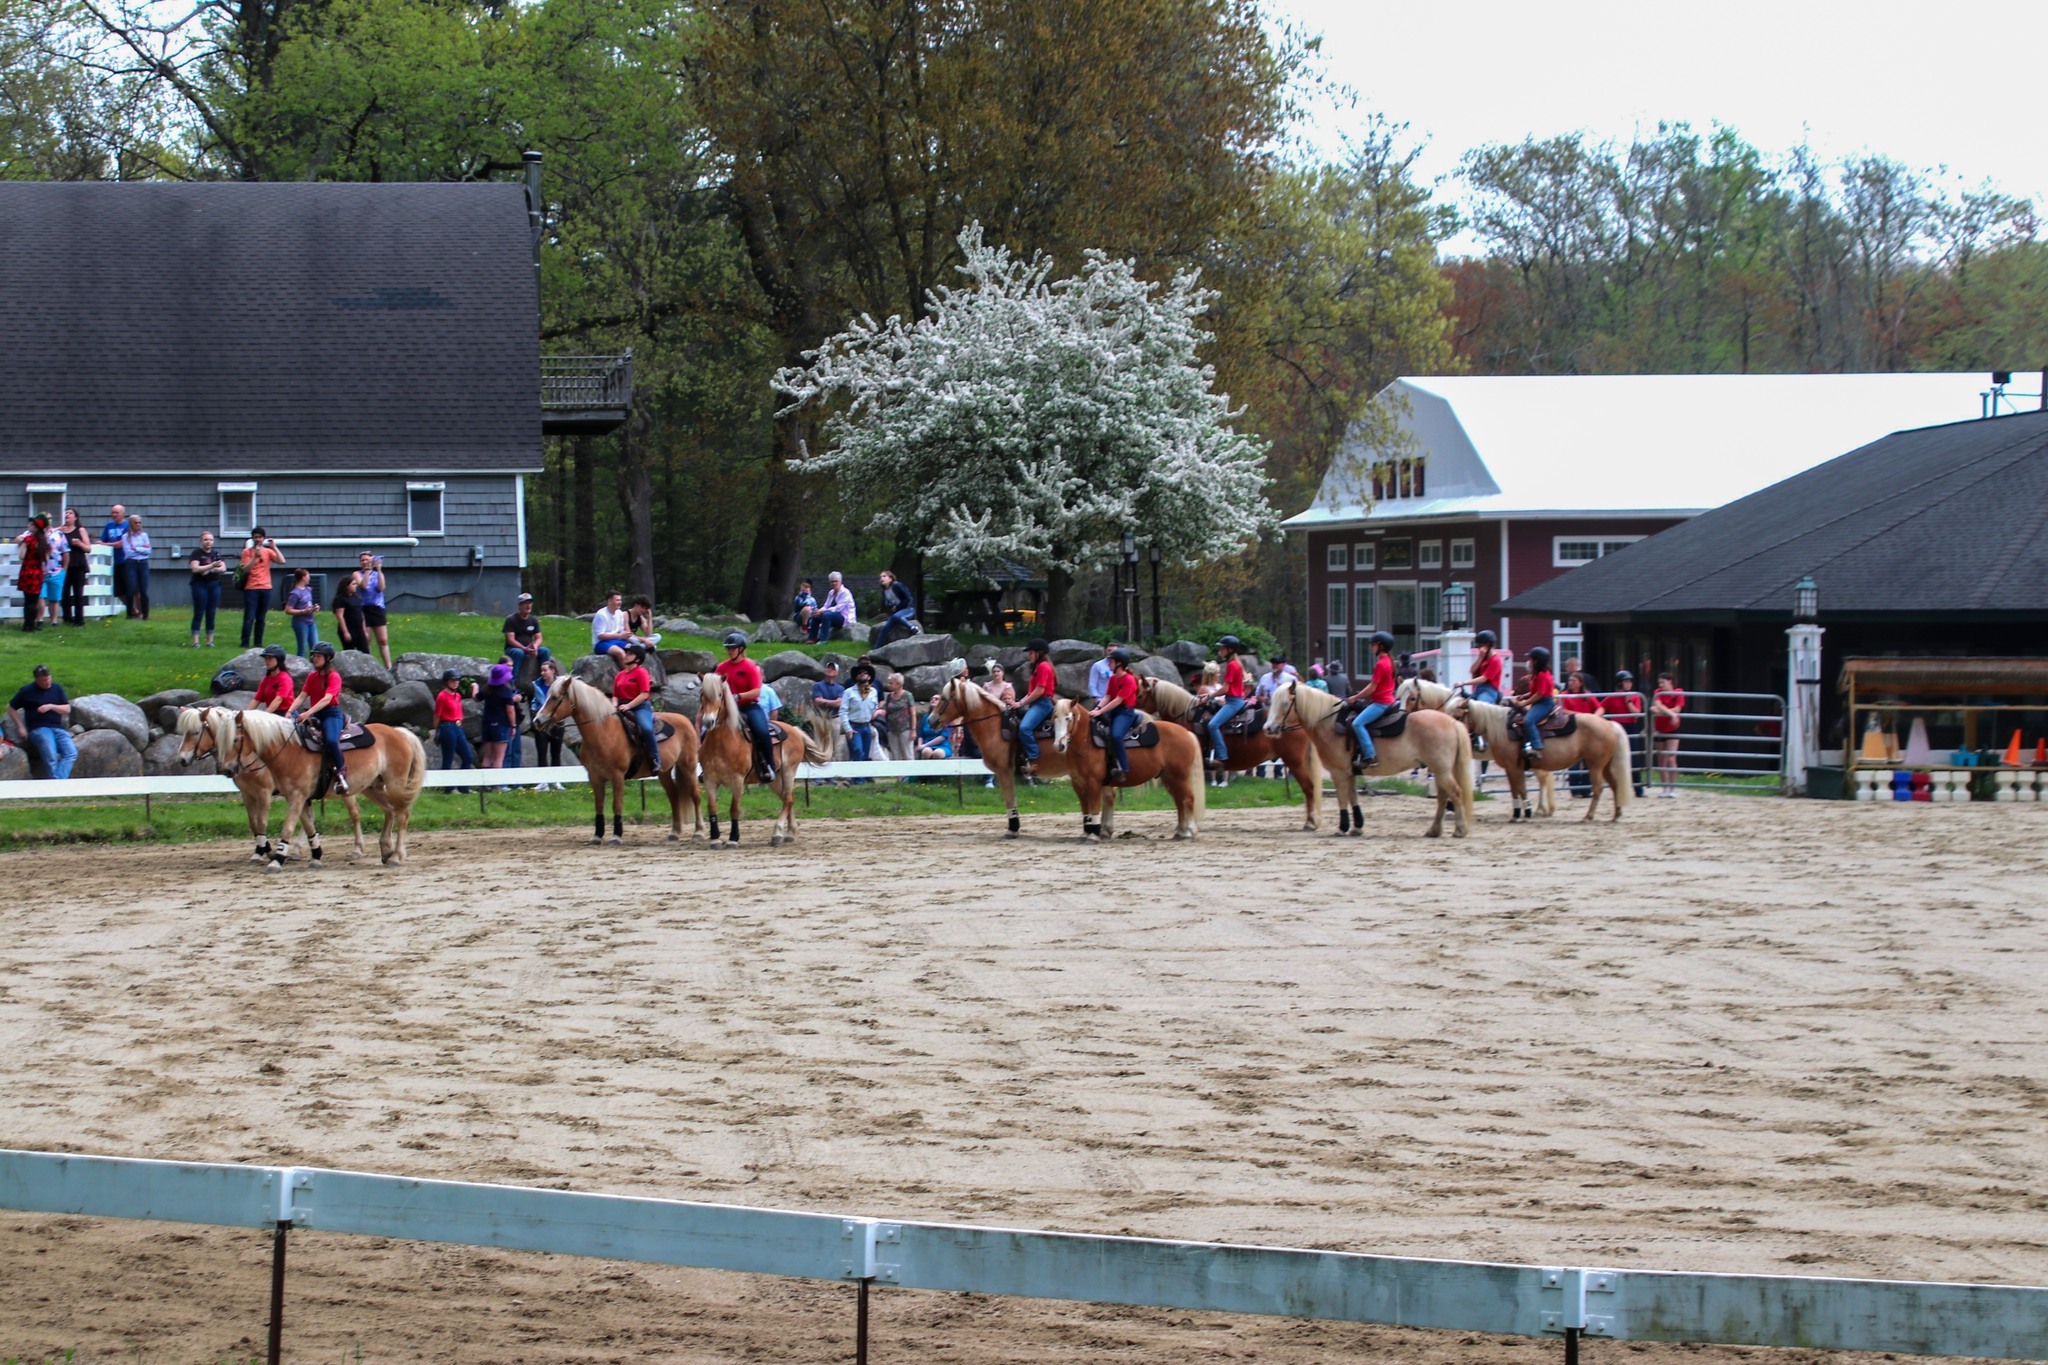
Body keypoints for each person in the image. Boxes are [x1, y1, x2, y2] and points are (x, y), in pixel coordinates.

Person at [715, 631, 777, 779]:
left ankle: (768, 765)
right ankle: (707, 764)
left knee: (761, 731)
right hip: (727, 709)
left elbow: (756, 692)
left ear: (741, 649)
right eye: (728, 648)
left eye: (732, 648)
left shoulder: (750, 667)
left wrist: (738, 696)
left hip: (749, 707)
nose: (729, 651)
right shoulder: (721, 668)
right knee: (708, 729)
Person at [292, 642, 349, 794]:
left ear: (328, 658)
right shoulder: (312, 676)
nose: (315, 659)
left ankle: (342, 773)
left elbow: (327, 699)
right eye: (314, 656)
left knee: (331, 740)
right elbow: (302, 696)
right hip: (315, 713)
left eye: (318, 656)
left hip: (330, 713)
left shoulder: (334, 676)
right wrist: (289, 711)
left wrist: (308, 713)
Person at [1343, 631, 1398, 772]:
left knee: (1357, 723)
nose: (1371, 647)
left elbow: (1372, 687)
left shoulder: (1381, 664)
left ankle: (1370, 755)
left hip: (1381, 702)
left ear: (1381, 646)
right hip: (1389, 699)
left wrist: (1355, 698)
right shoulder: (1390, 661)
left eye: (1373, 645)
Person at [9, 665, 75, 778]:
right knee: (50, 754)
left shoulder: (57, 688)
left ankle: (58, 782)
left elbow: (67, 709)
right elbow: (11, 708)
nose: (47, 681)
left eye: (48, 678)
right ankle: (58, 785)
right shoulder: (27, 691)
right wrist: (21, 727)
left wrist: (51, 706)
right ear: (37, 680)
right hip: (38, 728)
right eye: (44, 680)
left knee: (71, 753)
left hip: (57, 727)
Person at [1089, 646, 1142, 780]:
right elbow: (1107, 697)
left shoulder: (1129, 680)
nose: (1109, 663)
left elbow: (1118, 700)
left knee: (1116, 735)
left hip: (1125, 712)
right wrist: (1096, 709)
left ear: (1119, 663)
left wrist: (1101, 711)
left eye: (1111, 661)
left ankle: (1123, 768)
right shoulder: (1113, 678)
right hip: (1113, 710)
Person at [1013, 639, 1058, 777]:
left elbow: (1039, 691)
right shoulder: (1039, 667)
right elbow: (1032, 692)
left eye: (1031, 653)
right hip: (1036, 703)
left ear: (1039, 653)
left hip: (1043, 704)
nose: (1029, 656)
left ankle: (1035, 761)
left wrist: (1020, 703)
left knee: (1024, 728)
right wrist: (1019, 702)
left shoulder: (1043, 667)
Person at [611, 643, 657, 774]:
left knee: (646, 728)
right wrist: (614, 704)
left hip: (639, 706)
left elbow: (644, 694)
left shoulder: (642, 672)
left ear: (637, 659)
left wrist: (629, 706)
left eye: (630, 653)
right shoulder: (620, 675)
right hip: (621, 706)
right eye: (626, 653)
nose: (626, 655)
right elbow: (615, 695)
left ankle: (655, 758)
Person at [1601, 668, 1647, 798]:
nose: (1629, 684)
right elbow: (1602, 707)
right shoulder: (1613, 697)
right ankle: (1618, 787)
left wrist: (1628, 701)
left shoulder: (1634, 696)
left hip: (1631, 727)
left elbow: (1636, 713)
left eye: (1629, 682)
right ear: (1619, 683)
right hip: (1617, 728)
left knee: (1634, 758)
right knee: (1616, 758)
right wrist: (1595, 717)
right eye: (1626, 682)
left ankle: (1638, 788)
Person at [1207, 635, 1250, 767]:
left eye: (1222, 648)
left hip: (1233, 702)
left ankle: (1222, 756)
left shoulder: (1232, 665)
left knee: (1212, 725)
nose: (1220, 651)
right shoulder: (1236, 664)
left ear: (1230, 650)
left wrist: (1210, 696)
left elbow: (1225, 689)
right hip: (1234, 700)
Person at [238, 528, 285, 647]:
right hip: (251, 588)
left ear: (263, 538)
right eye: (255, 537)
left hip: (266, 587)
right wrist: (255, 556)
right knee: (249, 617)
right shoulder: (247, 552)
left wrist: (274, 547)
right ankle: (245, 643)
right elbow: (245, 569)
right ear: (252, 538)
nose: (258, 539)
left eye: (260, 537)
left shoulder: (268, 552)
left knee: (261, 617)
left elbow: (282, 561)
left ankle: (258, 643)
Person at [432, 669, 476, 794]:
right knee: (448, 758)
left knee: (467, 757)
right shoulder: (442, 696)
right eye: (453, 680)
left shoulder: (457, 696)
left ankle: (464, 787)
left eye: (457, 680)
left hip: (458, 726)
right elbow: (437, 716)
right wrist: (437, 732)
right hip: (447, 727)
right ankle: (448, 788)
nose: (456, 683)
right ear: (447, 682)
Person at [1560, 671, 1602, 797]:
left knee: (1588, 760)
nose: (1570, 683)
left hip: (1587, 731)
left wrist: (1594, 718)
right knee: (1573, 760)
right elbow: (1563, 710)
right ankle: (1575, 789)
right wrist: (1581, 716)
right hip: (1573, 729)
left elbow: (1600, 707)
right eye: (1570, 680)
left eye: (1574, 680)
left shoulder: (1587, 695)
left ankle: (1586, 788)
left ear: (1580, 683)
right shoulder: (1564, 695)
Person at [1513, 645, 1558, 758]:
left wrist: (1524, 703)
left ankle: (1536, 746)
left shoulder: (1543, 676)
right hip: (1539, 701)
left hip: (1544, 703)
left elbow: (1539, 695)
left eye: (1531, 659)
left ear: (1536, 661)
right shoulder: (1537, 675)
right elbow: (1535, 691)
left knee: (1529, 720)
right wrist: (1524, 696)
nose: (1529, 661)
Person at [187, 533, 229, 647]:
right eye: (206, 540)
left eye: (210, 540)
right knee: (199, 612)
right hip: (199, 584)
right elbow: (195, 569)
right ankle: (195, 641)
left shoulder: (216, 554)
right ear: (201, 541)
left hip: (214, 584)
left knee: (211, 612)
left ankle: (210, 641)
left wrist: (210, 570)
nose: (208, 542)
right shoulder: (196, 553)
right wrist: (212, 566)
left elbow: (223, 568)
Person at [530, 660, 566, 787]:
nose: (543, 673)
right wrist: (533, 708)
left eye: (545, 670)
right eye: (542, 670)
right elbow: (535, 700)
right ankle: (542, 781)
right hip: (542, 723)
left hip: (557, 722)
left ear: (553, 670)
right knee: (542, 751)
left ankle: (556, 780)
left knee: (556, 752)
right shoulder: (538, 685)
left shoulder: (560, 686)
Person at [841, 664, 880, 780]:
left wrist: (870, 719)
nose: (863, 675)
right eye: (860, 673)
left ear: (869, 677)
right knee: (858, 750)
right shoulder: (849, 692)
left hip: (866, 726)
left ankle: (860, 777)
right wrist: (848, 729)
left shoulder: (873, 692)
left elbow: (874, 707)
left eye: (865, 673)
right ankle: (858, 780)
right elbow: (843, 711)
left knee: (865, 753)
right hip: (854, 726)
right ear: (856, 677)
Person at [355, 552, 392, 666]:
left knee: (383, 640)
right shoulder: (357, 574)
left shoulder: (377, 574)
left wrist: (379, 570)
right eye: (362, 560)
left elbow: (381, 588)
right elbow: (363, 586)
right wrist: (366, 573)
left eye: (367, 559)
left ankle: (388, 666)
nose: (364, 562)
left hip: (377, 608)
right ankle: (369, 665)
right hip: (363, 608)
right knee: (366, 640)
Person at [1653, 670, 1686, 797]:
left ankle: (1672, 788)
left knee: (1671, 758)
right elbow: (1657, 705)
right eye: (1659, 683)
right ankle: (1665, 788)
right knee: (1662, 759)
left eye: (1663, 682)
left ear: (1670, 682)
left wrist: (1662, 712)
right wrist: (1672, 714)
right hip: (1660, 728)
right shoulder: (1658, 693)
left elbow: (1678, 708)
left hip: (1672, 729)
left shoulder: (1678, 692)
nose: (1660, 685)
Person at [13, 516, 47, 631]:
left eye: (32, 525)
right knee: (35, 600)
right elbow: (45, 558)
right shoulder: (43, 542)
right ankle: (32, 624)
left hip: (28, 571)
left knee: (28, 601)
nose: (29, 526)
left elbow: (21, 556)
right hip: (37, 573)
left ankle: (27, 625)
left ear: (36, 528)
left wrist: (23, 545)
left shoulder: (28, 540)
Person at [503, 593, 551, 674]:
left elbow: (539, 638)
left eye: (530, 603)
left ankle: (544, 678)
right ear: (519, 605)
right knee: (519, 653)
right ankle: (513, 681)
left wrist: (535, 647)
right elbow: (510, 640)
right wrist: (524, 648)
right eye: (525, 603)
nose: (528, 605)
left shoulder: (533, 620)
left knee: (545, 651)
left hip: (530, 648)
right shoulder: (511, 619)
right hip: (513, 649)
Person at [117, 515, 152, 619]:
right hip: (131, 563)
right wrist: (142, 548)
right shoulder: (125, 537)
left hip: (143, 563)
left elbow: (149, 551)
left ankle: (145, 615)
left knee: (144, 590)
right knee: (131, 589)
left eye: (139, 522)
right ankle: (129, 615)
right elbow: (128, 552)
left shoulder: (144, 535)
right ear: (131, 524)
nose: (138, 525)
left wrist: (136, 548)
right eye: (135, 522)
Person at [870, 569, 916, 650]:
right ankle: (876, 649)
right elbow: (887, 605)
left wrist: (897, 607)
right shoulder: (885, 591)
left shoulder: (897, 586)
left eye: (884, 576)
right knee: (885, 628)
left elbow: (908, 598)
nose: (881, 579)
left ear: (890, 578)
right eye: (880, 577)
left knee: (897, 616)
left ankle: (912, 628)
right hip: (897, 613)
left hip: (908, 609)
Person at [59, 511, 90, 627]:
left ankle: (79, 620)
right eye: (66, 513)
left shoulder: (80, 530)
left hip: (78, 565)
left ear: (75, 517)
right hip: (65, 566)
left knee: (78, 593)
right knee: (64, 593)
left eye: (70, 513)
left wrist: (80, 544)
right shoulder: (61, 531)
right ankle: (67, 618)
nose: (67, 515)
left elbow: (88, 548)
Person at [807, 571, 856, 643]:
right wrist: (819, 611)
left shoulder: (845, 593)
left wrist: (823, 611)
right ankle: (812, 638)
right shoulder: (831, 593)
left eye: (836, 581)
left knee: (827, 615)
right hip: (834, 615)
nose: (834, 583)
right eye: (832, 582)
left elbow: (839, 608)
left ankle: (823, 640)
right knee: (816, 616)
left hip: (845, 618)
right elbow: (826, 605)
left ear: (840, 582)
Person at [101, 503, 129, 617]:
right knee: (118, 591)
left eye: (117, 512)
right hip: (114, 563)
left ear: (123, 514)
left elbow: (122, 544)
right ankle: (132, 609)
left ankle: (137, 611)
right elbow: (102, 542)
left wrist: (108, 544)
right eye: (113, 512)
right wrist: (108, 544)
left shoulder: (127, 526)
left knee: (130, 589)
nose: (114, 514)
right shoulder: (109, 526)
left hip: (126, 561)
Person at [282, 568, 317, 658]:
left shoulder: (308, 589)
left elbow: (308, 604)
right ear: (303, 577)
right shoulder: (295, 593)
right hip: (300, 623)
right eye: (308, 575)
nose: (309, 577)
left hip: (311, 621)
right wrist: (303, 611)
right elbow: (288, 610)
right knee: (303, 648)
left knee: (316, 646)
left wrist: (314, 608)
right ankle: (301, 667)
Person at [881, 672, 917, 761]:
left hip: (905, 729)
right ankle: (899, 775)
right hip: (892, 730)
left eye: (891, 683)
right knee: (895, 754)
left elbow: (913, 714)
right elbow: (886, 710)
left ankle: (909, 774)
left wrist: (913, 730)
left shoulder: (908, 695)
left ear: (898, 684)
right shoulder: (889, 696)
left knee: (908, 753)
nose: (888, 685)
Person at [253, 645, 297, 715]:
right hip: (272, 713)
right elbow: (256, 700)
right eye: (266, 659)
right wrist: (245, 715)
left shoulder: (285, 678)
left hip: (286, 714)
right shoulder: (266, 680)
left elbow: (278, 700)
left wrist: (265, 715)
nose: (267, 661)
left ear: (279, 660)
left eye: (270, 658)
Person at [810, 661, 846, 745]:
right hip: (821, 718)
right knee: (819, 744)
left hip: (835, 719)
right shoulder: (817, 685)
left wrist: (825, 701)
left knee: (833, 745)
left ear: (836, 673)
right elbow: (818, 701)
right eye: (828, 668)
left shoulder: (840, 688)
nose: (830, 669)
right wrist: (834, 702)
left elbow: (840, 703)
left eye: (833, 668)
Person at [330, 570, 364, 656]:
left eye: (356, 584)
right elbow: (340, 616)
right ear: (347, 586)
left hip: (359, 628)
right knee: (349, 653)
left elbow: (361, 613)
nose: (356, 586)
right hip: (349, 628)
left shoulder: (356, 597)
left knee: (365, 651)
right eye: (353, 584)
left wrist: (364, 629)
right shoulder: (340, 599)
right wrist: (345, 632)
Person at [591, 591, 633, 660]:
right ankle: (626, 671)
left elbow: (620, 630)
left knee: (633, 649)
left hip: (616, 641)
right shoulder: (601, 614)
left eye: (620, 600)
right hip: (600, 643)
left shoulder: (619, 613)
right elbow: (600, 636)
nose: (620, 602)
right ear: (609, 601)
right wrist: (619, 636)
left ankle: (636, 670)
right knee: (620, 652)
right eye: (617, 600)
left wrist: (625, 634)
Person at [1468, 630, 1505, 703]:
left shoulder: (1496, 660)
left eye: (1480, 646)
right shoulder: (1483, 658)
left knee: (1479, 706)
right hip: (1478, 688)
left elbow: (1484, 678)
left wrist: (1464, 683)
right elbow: (1472, 670)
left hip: (1489, 691)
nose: (1479, 648)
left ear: (1488, 644)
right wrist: (1480, 657)